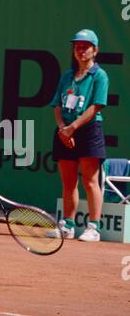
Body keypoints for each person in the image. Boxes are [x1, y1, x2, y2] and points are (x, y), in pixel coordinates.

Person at [51, 29, 109, 242]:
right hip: (64, 130)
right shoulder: (67, 75)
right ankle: (67, 225)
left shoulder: (100, 75)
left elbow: (96, 106)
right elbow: (57, 104)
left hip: (88, 131)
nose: (81, 50)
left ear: (95, 50)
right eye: (78, 47)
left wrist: (72, 128)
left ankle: (93, 227)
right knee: (68, 182)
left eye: (86, 47)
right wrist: (62, 128)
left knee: (91, 181)